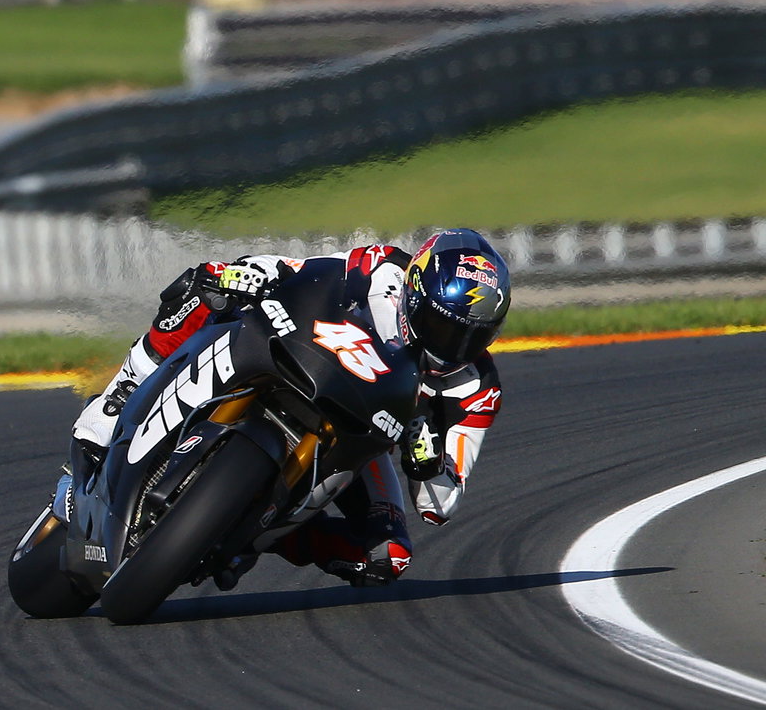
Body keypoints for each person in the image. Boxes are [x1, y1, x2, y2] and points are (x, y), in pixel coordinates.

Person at [67, 228, 510, 587]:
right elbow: (298, 270)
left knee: (386, 555)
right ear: (414, 293)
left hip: (359, 438)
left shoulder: (477, 388)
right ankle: (121, 392)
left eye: (473, 337)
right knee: (204, 285)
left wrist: (424, 457)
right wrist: (247, 273)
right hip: (303, 358)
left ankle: (248, 535)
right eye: (441, 326)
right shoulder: (380, 268)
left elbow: (439, 504)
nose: (453, 347)